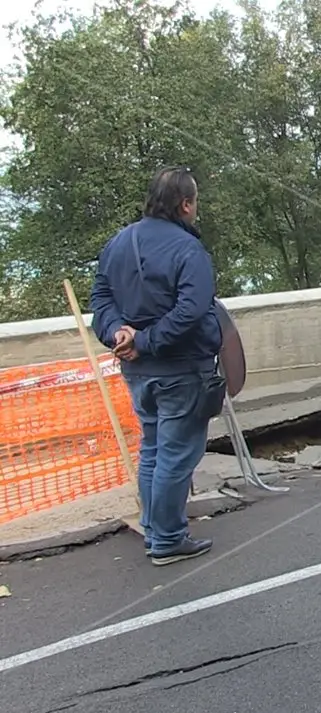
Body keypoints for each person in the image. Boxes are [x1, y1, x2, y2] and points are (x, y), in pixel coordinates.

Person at [90, 166, 221, 566]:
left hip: (138, 372)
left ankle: (153, 528)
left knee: (153, 449)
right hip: (180, 370)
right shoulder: (188, 250)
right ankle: (167, 539)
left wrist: (118, 335)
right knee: (176, 455)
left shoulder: (119, 242)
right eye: (195, 202)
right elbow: (192, 311)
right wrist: (144, 342)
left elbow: (101, 297)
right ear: (185, 204)